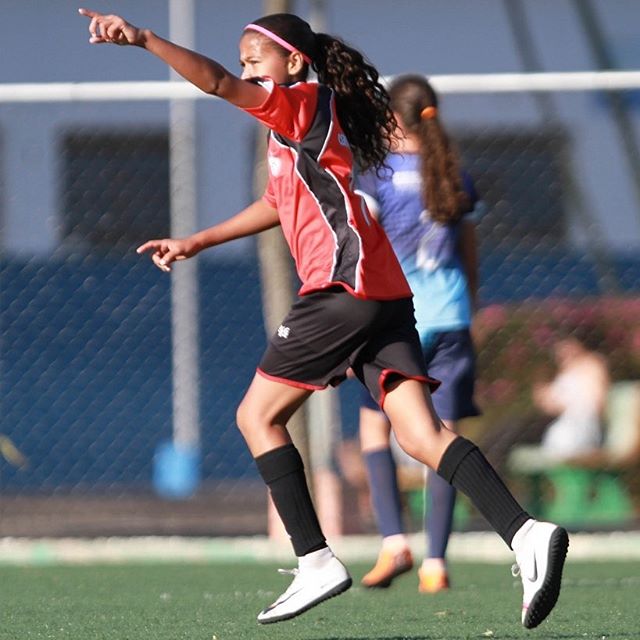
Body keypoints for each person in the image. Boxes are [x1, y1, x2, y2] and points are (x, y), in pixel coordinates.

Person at [78, 8, 568, 629]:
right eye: (244, 56)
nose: (247, 65)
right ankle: (526, 534)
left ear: (294, 61)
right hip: (380, 293)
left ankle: (314, 559)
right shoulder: (294, 120)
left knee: (256, 416)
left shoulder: (300, 100)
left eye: (256, 55)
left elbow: (217, 83)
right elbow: (277, 202)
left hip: (344, 286)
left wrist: (146, 39)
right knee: (419, 435)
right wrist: (198, 241)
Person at [355, 75, 480, 594]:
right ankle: (436, 562)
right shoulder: (455, 173)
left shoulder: (377, 176)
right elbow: (470, 253)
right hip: (451, 318)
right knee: (443, 438)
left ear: (391, 119)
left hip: (396, 324)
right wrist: (467, 304)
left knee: (374, 431)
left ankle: (393, 542)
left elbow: (363, 247)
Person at [533, 332, 609, 460]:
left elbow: (596, 402)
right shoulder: (564, 371)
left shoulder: (592, 365)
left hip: (583, 423)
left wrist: (563, 401)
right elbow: (552, 406)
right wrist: (544, 398)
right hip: (564, 422)